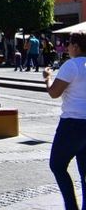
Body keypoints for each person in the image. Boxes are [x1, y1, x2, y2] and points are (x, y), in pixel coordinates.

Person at [43, 32, 86, 210]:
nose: (67, 47)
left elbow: (54, 93)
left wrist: (47, 78)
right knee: (84, 171)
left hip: (72, 124)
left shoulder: (71, 65)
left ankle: (71, 206)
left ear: (75, 47)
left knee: (57, 165)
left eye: (68, 44)